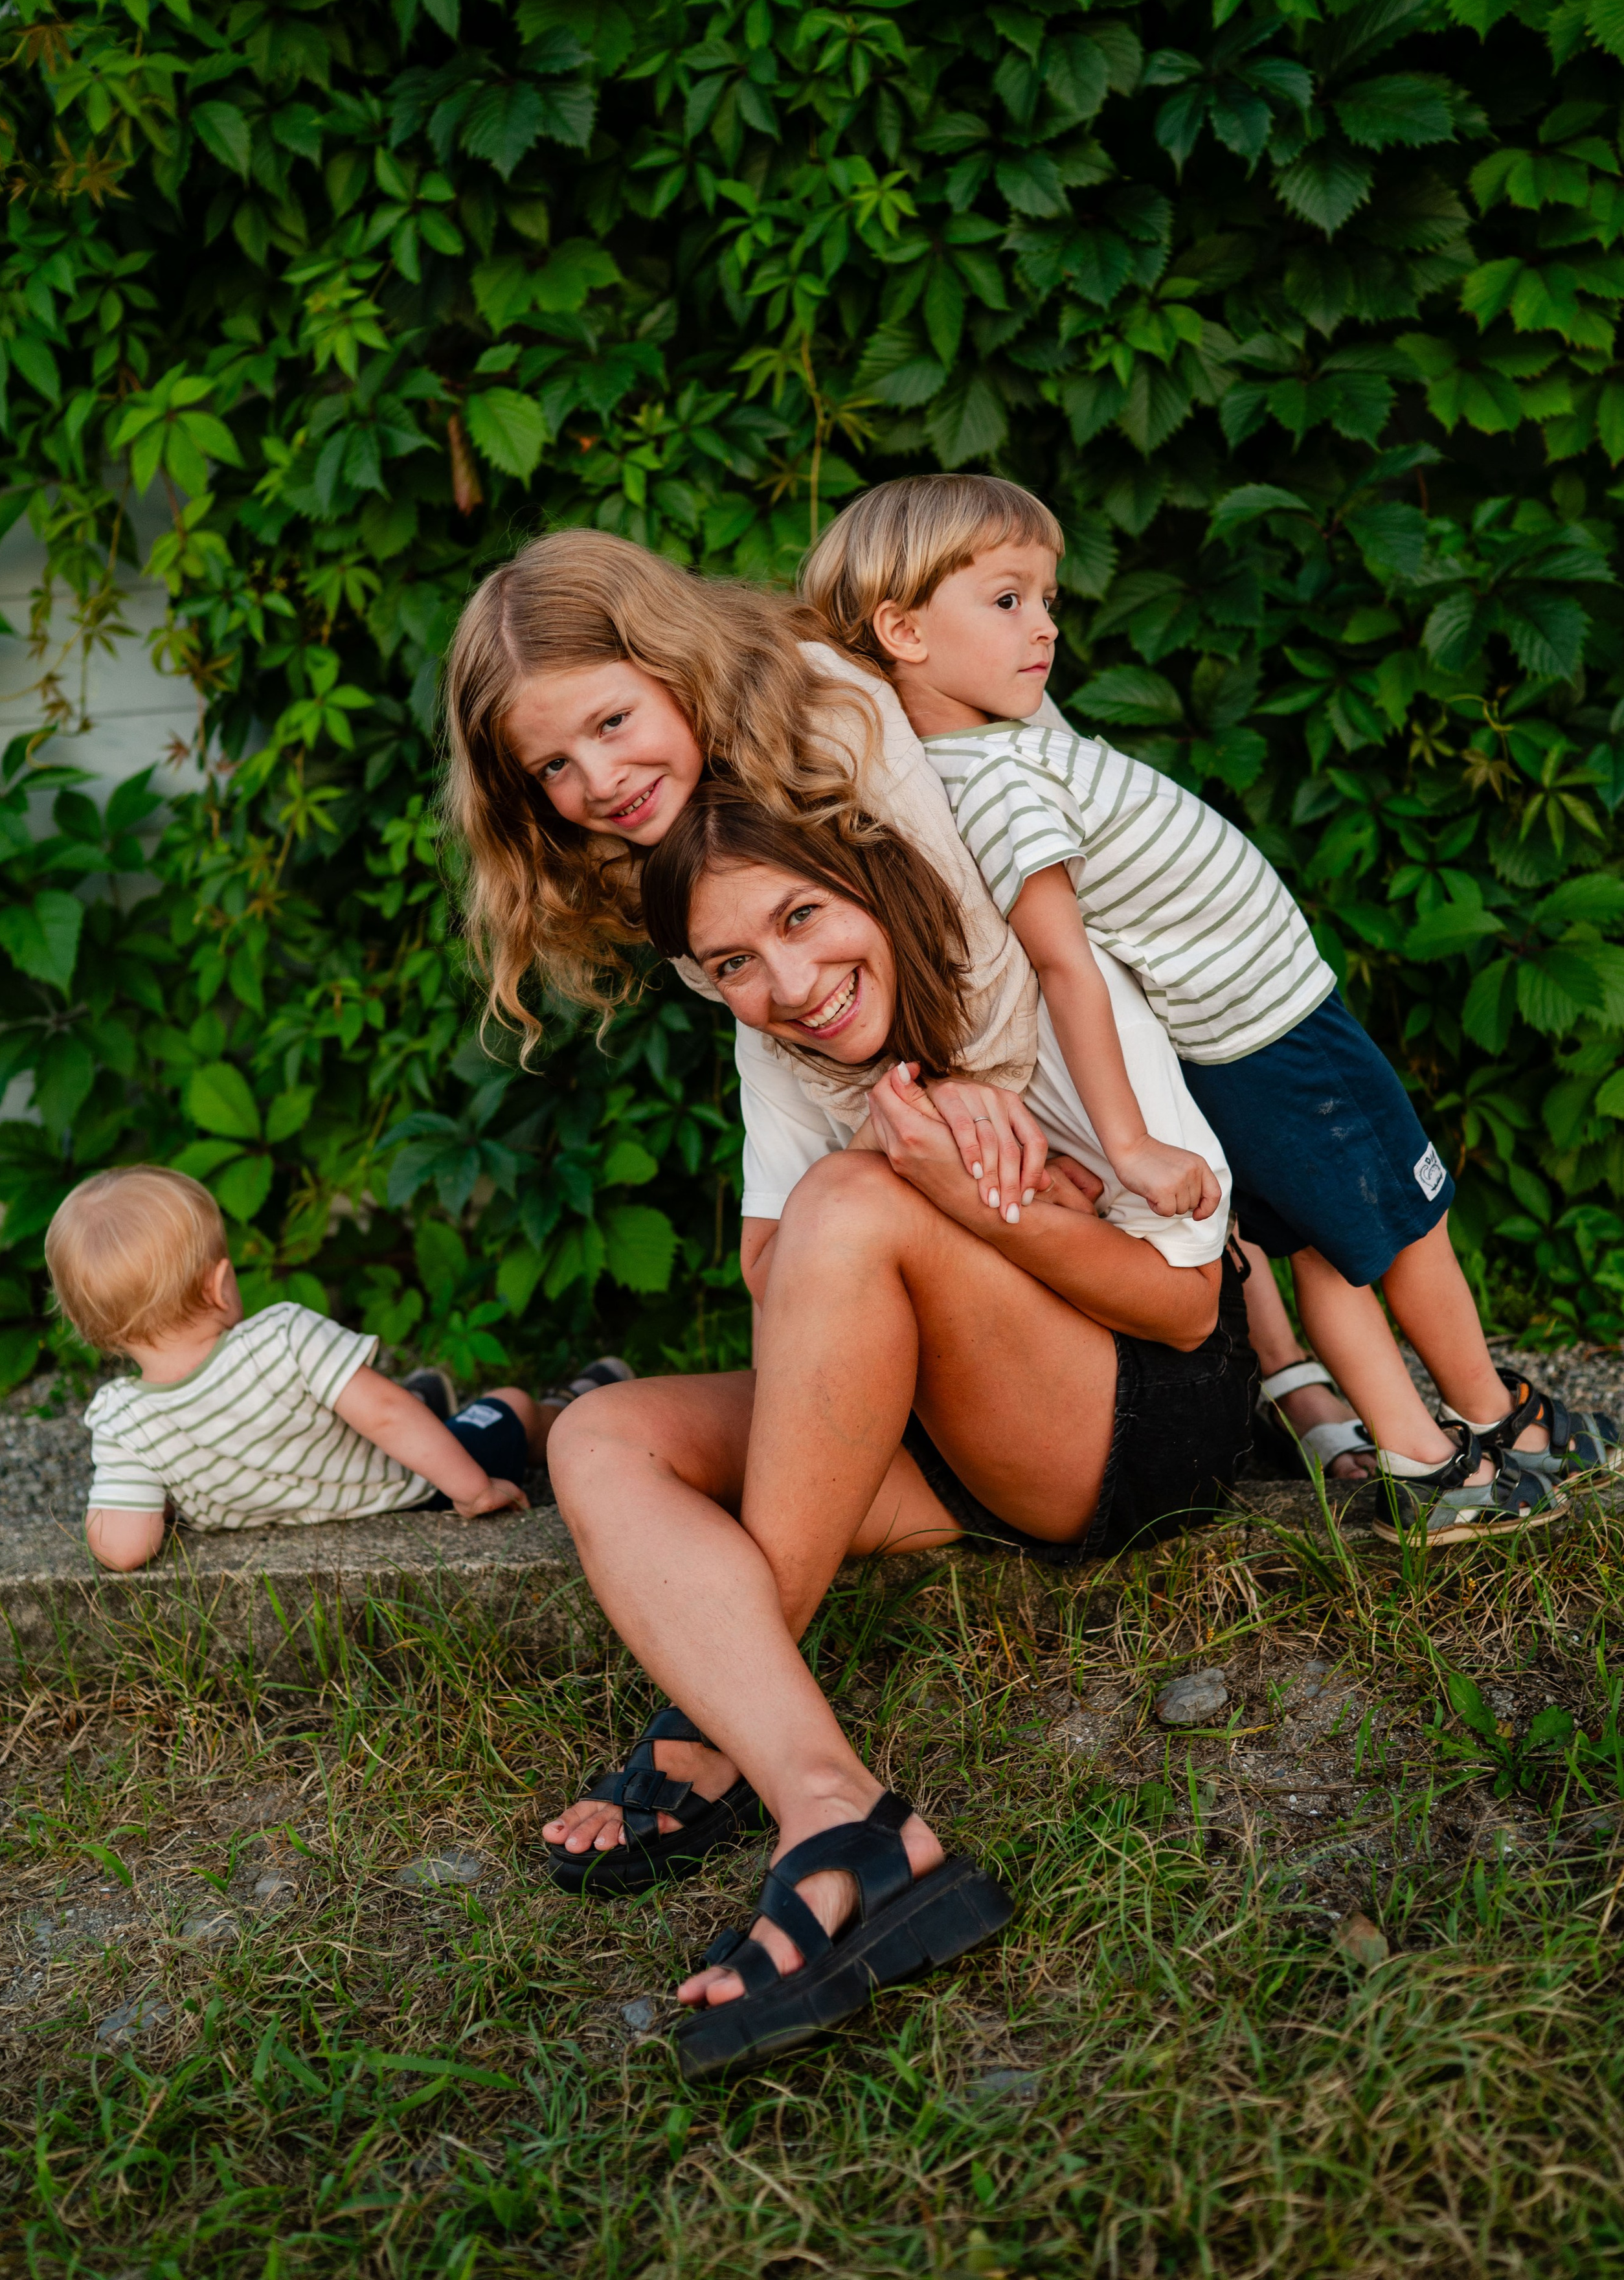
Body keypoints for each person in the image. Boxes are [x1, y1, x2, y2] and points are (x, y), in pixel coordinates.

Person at [534, 795, 1259, 2075]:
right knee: (600, 1432)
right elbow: (777, 1273)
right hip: (937, 1417)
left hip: (1134, 1415)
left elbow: (1187, 1299)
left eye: (801, 917)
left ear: (866, 875)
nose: (790, 982)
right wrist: (874, 1150)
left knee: (854, 1202)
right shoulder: (785, 1042)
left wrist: (949, 1196)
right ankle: (829, 1802)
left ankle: (706, 1730)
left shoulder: (1028, 983)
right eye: (734, 965)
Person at [800, 472, 1618, 1541]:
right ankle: (1495, 1425)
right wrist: (1131, 1143)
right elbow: (1063, 966)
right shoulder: (993, 782)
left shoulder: (994, 739)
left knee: (1327, 1246)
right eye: (1007, 600)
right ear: (903, 630)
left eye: (1049, 598)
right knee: (1409, 1225)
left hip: (1258, 1033)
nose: (1044, 626)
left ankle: (1428, 1459)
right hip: (1273, 1035)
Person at [45, 1166, 624, 1572]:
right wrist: (472, 1491)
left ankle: (430, 1399)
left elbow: (122, 1548)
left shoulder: (125, 1420)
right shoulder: (283, 1336)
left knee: (399, 1406)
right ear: (220, 1286)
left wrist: (161, 1496)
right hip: (408, 1495)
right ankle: (578, 1404)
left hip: (297, 1506)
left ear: (98, 1332)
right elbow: (388, 1417)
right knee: (509, 1403)